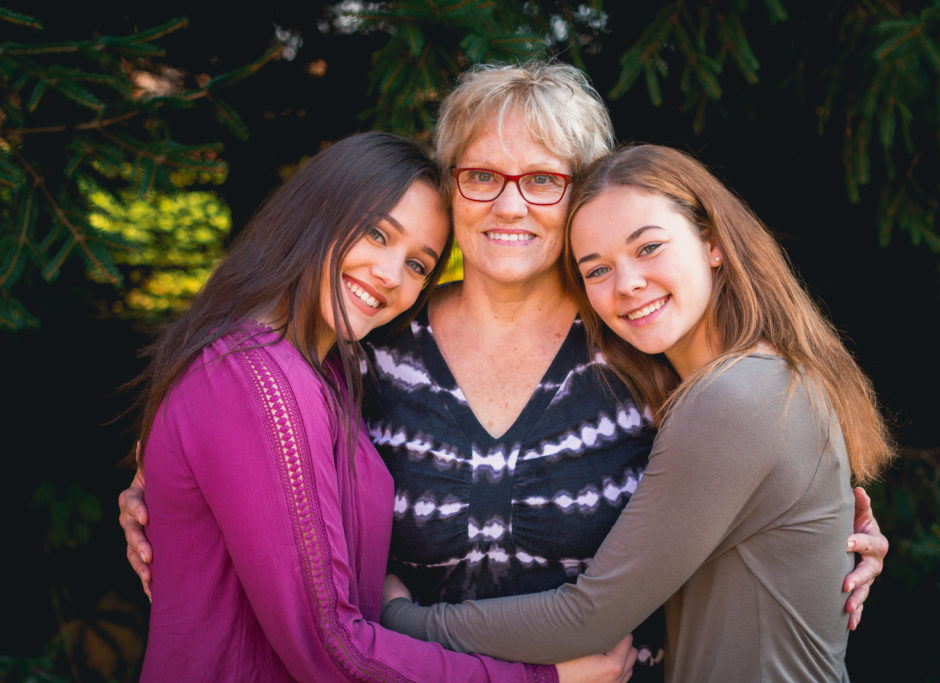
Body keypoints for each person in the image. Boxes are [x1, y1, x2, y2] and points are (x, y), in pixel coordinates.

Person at [119, 62, 889, 679]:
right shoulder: (365, 355)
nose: (508, 203)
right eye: (480, 175)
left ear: (583, 192)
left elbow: (762, 485)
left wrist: (836, 539)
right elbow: (252, 467)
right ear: (452, 188)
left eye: (544, 179)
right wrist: (155, 497)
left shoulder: (644, 353)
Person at [128, 130, 635, 682]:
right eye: (376, 233)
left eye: (419, 265)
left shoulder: (330, 373)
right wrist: (545, 680)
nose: (390, 276)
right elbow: (330, 648)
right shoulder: (255, 378)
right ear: (314, 214)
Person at [379, 143, 897, 681]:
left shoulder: (736, 396)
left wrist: (397, 622)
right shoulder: (748, 381)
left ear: (713, 243)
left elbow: (587, 619)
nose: (626, 284)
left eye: (648, 248)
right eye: (596, 269)